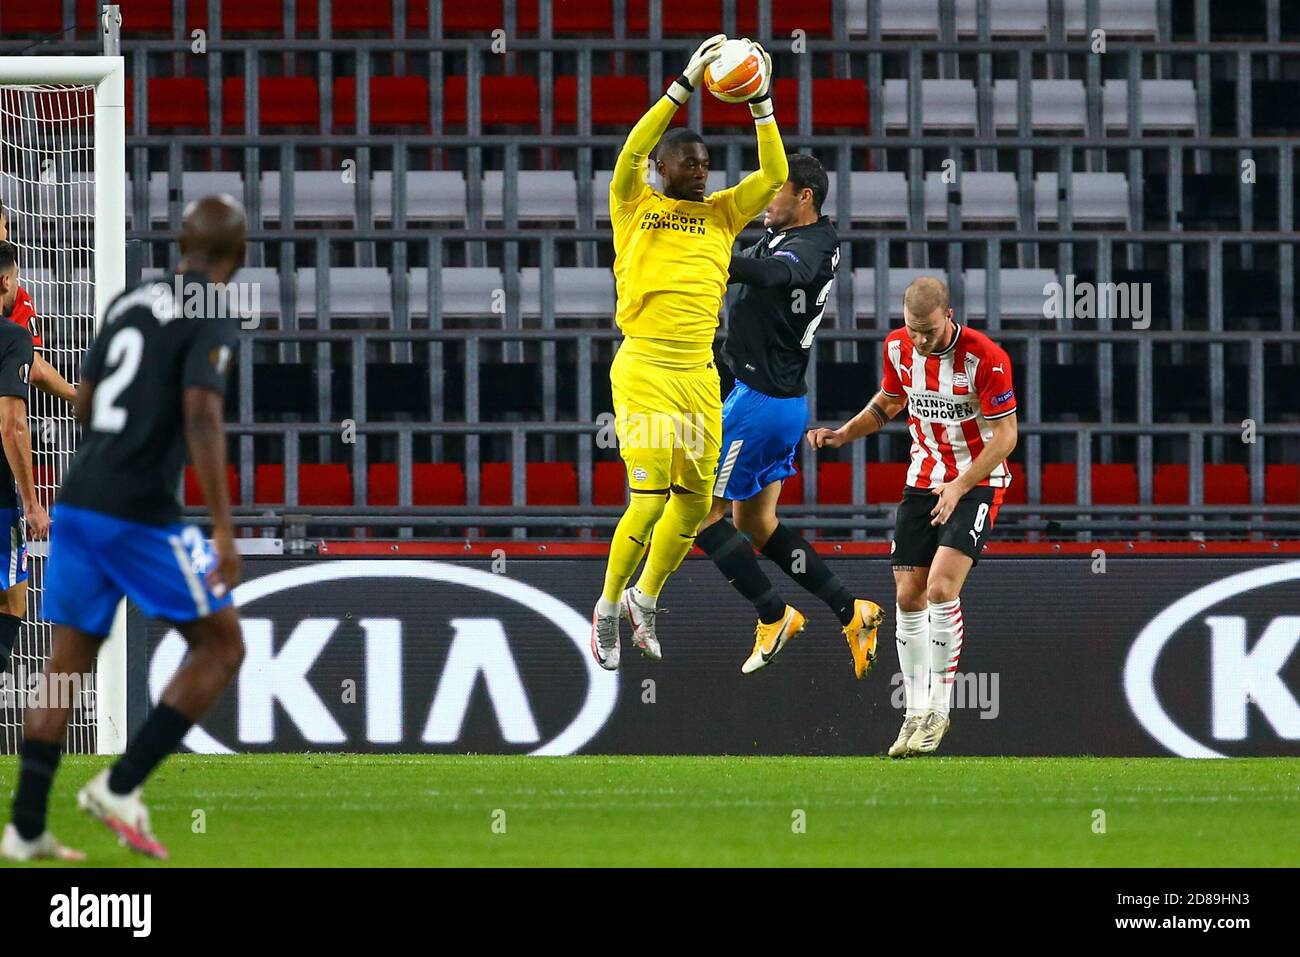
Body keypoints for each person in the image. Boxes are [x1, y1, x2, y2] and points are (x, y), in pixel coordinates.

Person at [2, 195, 247, 861]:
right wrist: (222, 530)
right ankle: (120, 783)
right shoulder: (214, 308)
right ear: (236, 257)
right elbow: (201, 412)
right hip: (138, 509)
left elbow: (87, 397)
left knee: (63, 666)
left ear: (181, 245)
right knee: (223, 646)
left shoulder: (128, 301)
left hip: (81, 495)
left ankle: (24, 828)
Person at [592, 35, 788, 670]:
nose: (702, 170)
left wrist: (759, 100)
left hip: (699, 372)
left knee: (698, 502)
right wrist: (682, 84)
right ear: (663, 169)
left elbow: (777, 175)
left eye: (706, 162)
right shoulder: (633, 204)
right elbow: (630, 149)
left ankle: (645, 597)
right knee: (648, 501)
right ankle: (606, 606)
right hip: (646, 365)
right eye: (690, 163)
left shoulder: (724, 215)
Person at [808, 277, 1017, 756]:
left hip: (976, 481)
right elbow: (888, 404)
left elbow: (1005, 435)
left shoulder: (986, 358)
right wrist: (842, 435)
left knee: (941, 588)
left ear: (948, 315)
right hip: (922, 481)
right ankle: (915, 711)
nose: (920, 340)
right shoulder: (898, 349)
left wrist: (961, 485)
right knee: (907, 596)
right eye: (912, 330)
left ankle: (939, 711)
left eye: (927, 330)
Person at [695, 154, 885, 676]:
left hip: (759, 402)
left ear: (804, 196)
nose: (764, 203)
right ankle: (852, 611)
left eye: (773, 192)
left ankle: (773, 614)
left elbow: (768, 274)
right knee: (754, 523)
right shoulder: (783, 234)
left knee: (697, 516)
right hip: (776, 400)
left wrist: (706, 251)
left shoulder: (815, 245)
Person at [0, 241, 51, 687]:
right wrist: (33, 504)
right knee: (14, 599)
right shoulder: (11, 336)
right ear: (6, 282)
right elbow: (13, 426)